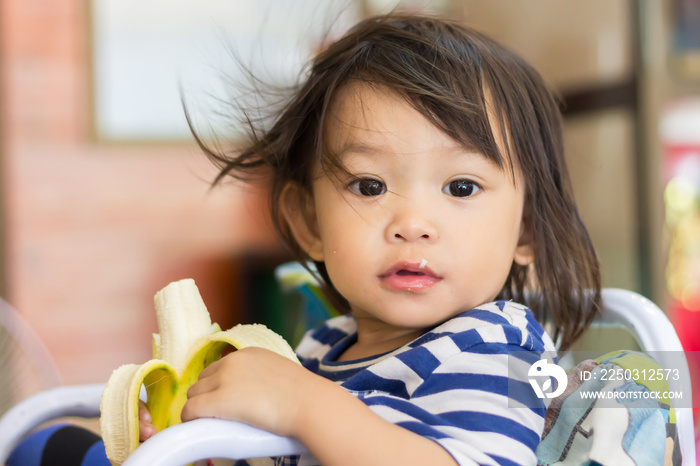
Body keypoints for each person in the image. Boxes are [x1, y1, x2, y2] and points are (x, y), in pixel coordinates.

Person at [8, 12, 600, 466]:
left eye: (462, 187)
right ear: (309, 223)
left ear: (526, 232)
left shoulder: (499, 346)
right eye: (370, 185)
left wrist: (301, 404)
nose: (413, 222)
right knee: (44, 446)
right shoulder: (323, 348)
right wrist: (199, 440)